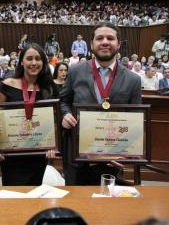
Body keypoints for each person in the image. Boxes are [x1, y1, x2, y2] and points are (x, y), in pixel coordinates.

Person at [60, 22, 142, 185]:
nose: (105, 42)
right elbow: (64, 101)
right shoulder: (75, 71)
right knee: (77, 204)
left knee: (107, 206)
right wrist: (65, 114)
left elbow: (136, 120)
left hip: (112, 157)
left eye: (110, 38)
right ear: (91, 44)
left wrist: (125, 154)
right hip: (78, 156)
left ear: (118, 44)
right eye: (99, 38)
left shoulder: (133, 80)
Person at [0, 43, 58, 186]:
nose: (34, 63)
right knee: (12, 196)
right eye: (29, 58)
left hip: (38, 153)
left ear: (43, 62)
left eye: (38, 58)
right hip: (12, 154)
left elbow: (54, 120)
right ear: (22, 61)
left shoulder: (49, 88)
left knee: (34, 194)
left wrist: (52, 145)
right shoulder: (7, 85)